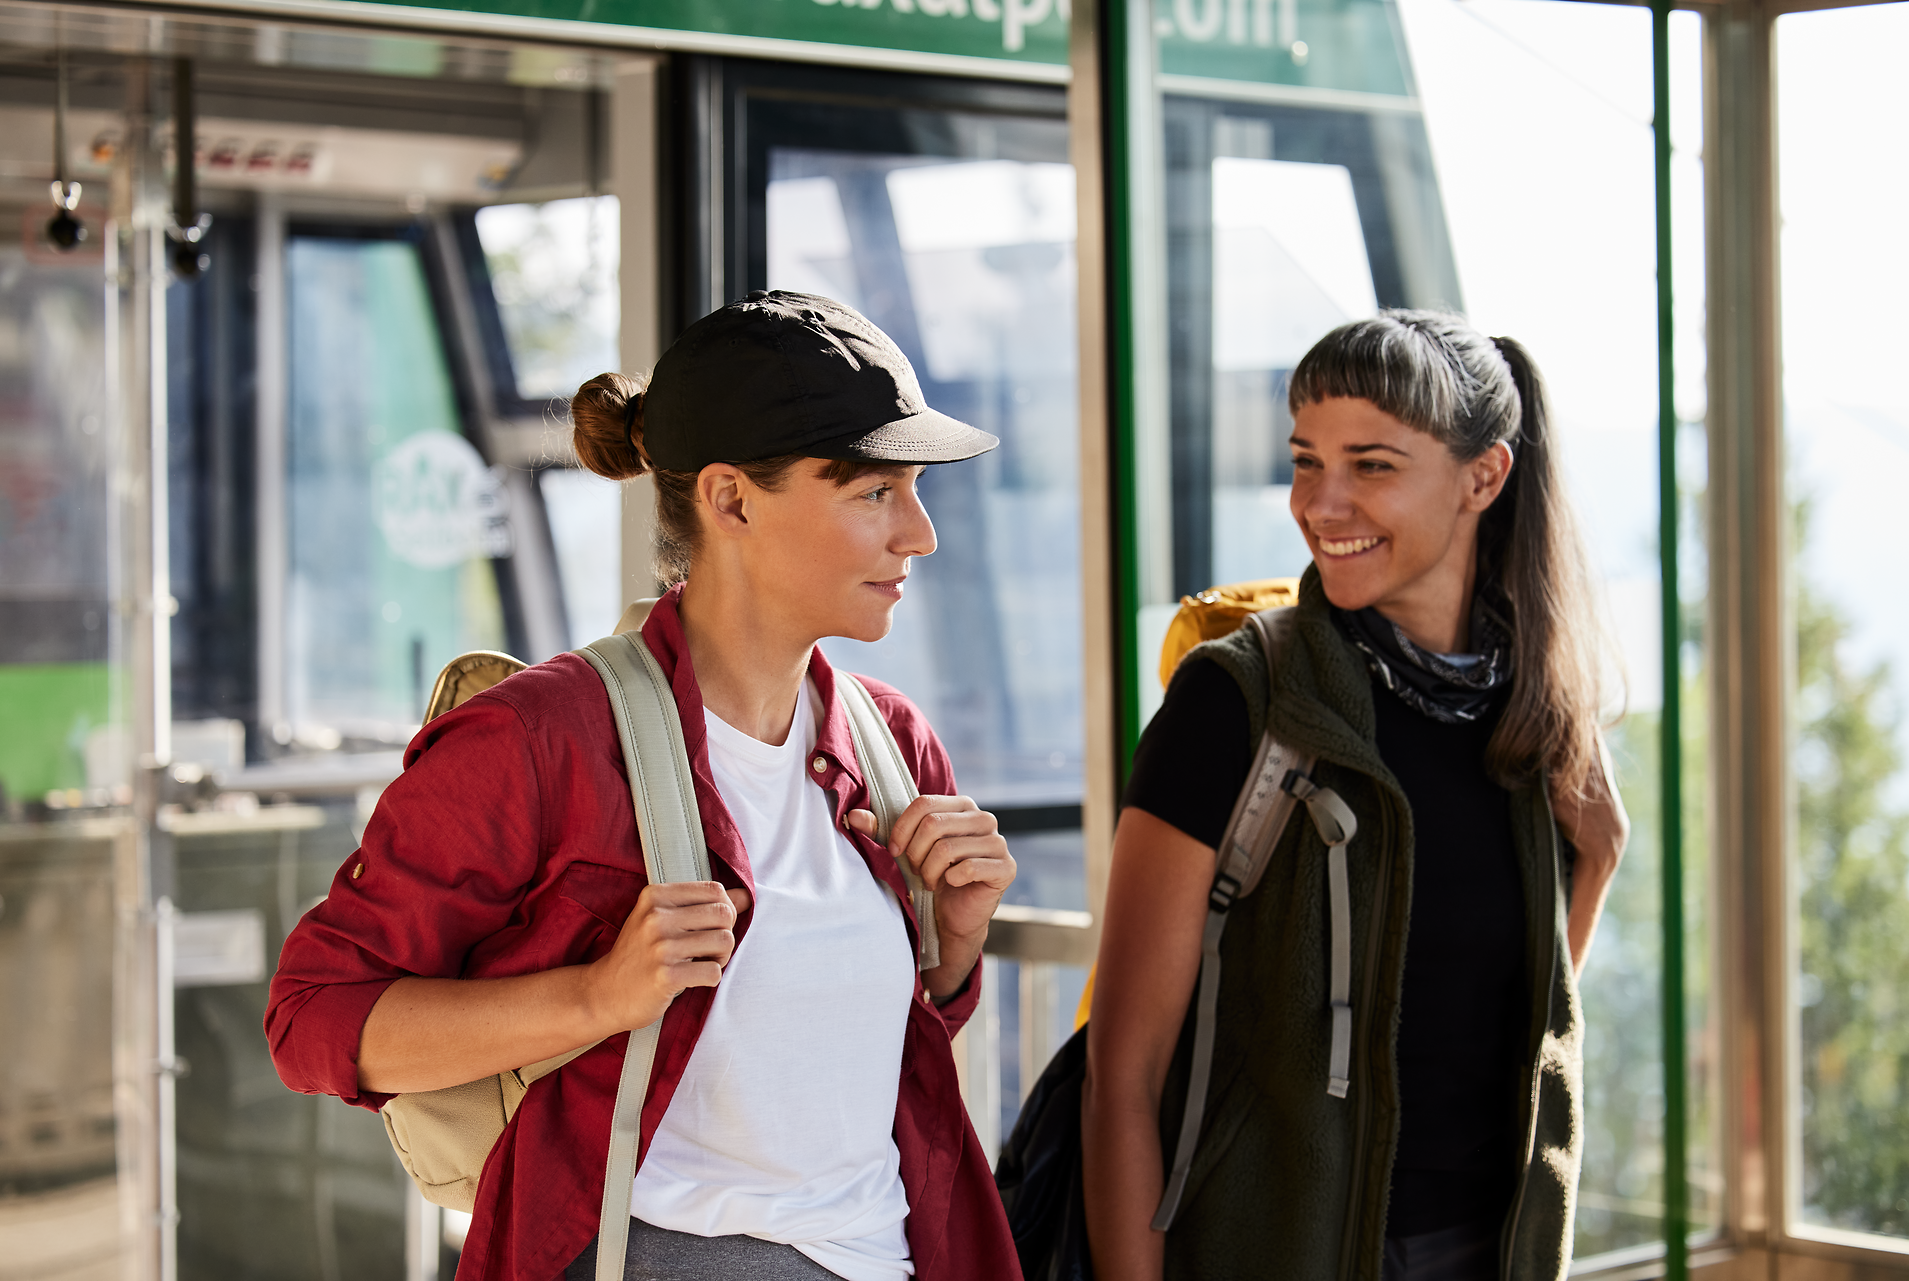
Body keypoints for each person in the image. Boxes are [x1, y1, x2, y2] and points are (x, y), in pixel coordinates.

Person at [266, 291, 1024, 1281]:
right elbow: (311, 1020)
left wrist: (951, 950)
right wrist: (594, 996)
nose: (918, 534)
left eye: (915, 490)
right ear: (731, 499)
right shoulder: (540, 740)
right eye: (875, 492)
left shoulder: (894, 745)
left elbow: (829, 1059)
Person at [1082, 311, 1629, 1281]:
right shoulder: (1236, 702)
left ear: (1484, 478)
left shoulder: (1529, 715)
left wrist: (1599, 853)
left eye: (1371, 466)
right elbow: (1122, 1076)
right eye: (1306, 460)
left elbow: (1521, 1032)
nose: (1320, 503)